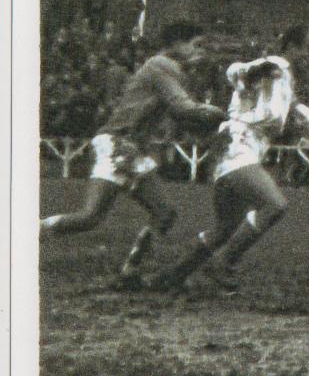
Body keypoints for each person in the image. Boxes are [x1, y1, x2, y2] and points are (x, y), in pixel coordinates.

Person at [148, 24, 309, 291]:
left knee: (224, 229)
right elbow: (236, 70)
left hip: (240, 149)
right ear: (292, 47)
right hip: (239, 145)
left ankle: (172, 275)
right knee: (275, 205)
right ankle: (223, 263)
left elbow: (297, 113)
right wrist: (256, 68)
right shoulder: (275, 65)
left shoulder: (283, 81)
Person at [41, 21, 227, 281]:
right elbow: (185, 109)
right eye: (196, 45)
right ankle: (23, 235)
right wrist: (223, 115)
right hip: (117, 143)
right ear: (175, 43)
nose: (201, 52)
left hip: (132, 148)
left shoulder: (171, 70)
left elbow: (180, 114)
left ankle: (131, 270)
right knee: (90, 217)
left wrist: (210, 121)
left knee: (164, 213)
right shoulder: (162, 66)